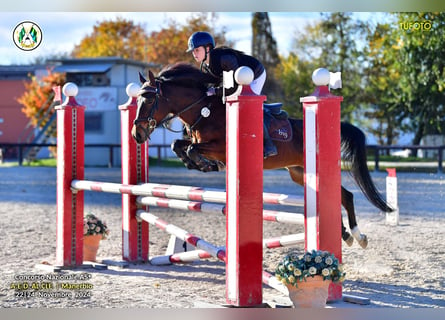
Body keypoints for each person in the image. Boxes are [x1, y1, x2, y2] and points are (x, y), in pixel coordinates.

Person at [186, 31, 277, 158]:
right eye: (193, 51)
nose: (194, 54)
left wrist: (215, 91)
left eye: (196, 50)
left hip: (255, 75)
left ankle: (269, 145)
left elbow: (232, 87)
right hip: (240, 78)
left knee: (250, 107)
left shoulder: (224, 59)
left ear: (207, 48)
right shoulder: (205, 65)